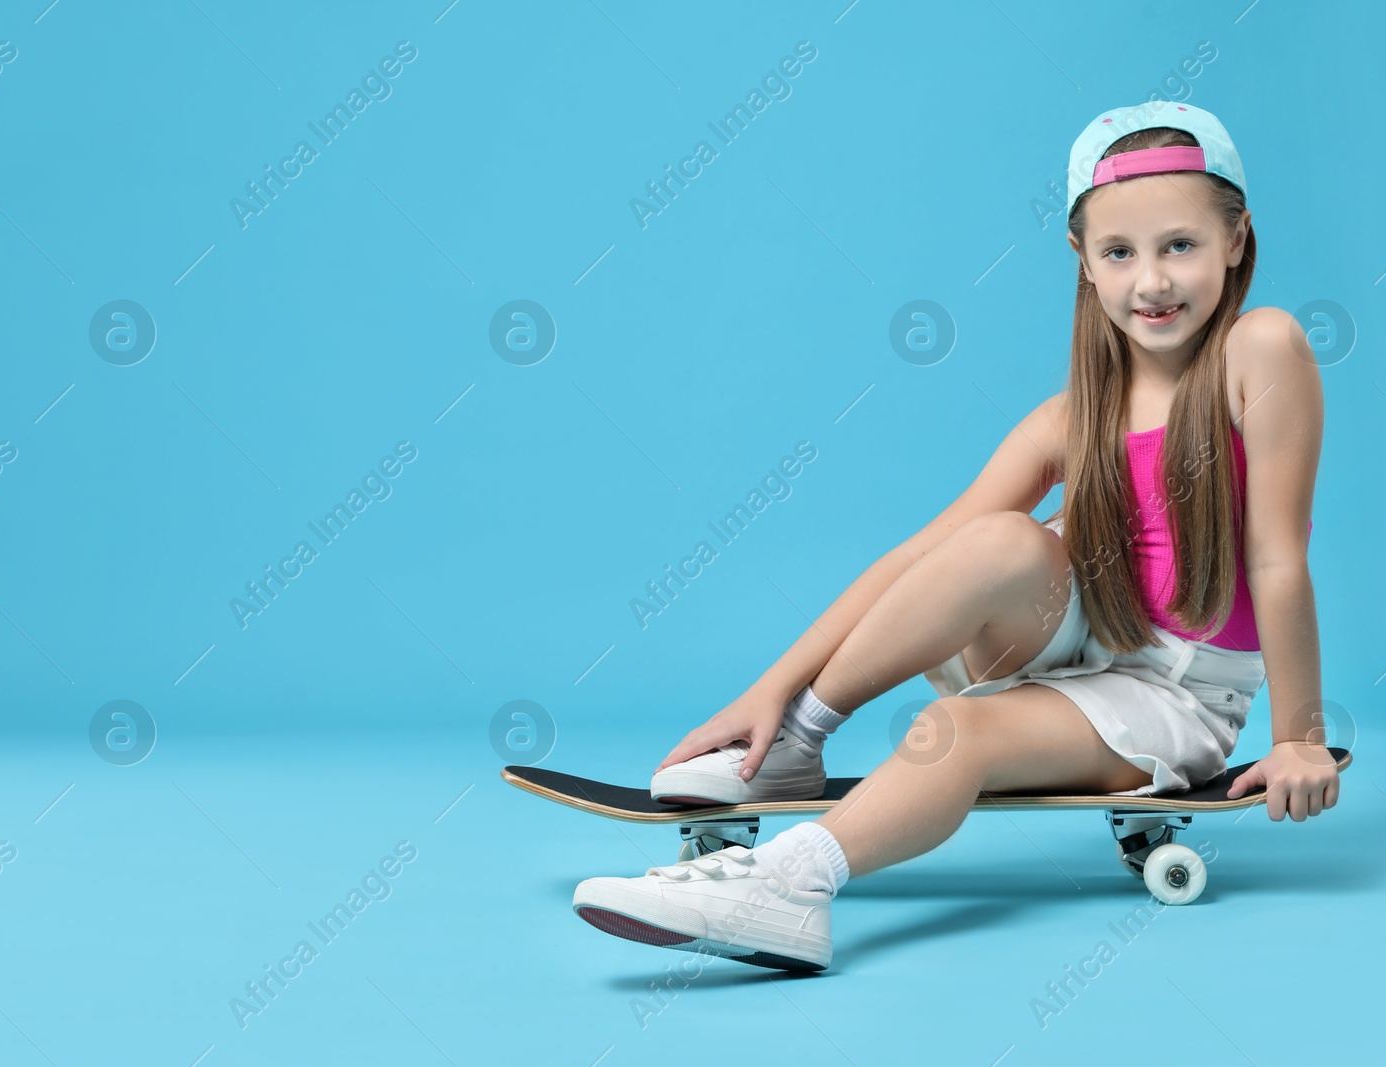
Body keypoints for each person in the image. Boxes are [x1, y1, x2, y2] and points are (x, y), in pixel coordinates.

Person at [572, 101, 1338, 973]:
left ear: (1237, 240)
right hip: (1077, 634)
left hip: (1178, 697)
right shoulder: (1070, 420)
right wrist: (775, 690)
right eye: (1120, 252)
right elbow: (920, 559)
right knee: (996, 542)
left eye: (1180, 245)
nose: (1151, 281)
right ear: (1083, 262)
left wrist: (1298, 734)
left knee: (948, 733)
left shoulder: (1261, 349)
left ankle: (789, 888)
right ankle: (795, 742)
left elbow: (1278, 557)